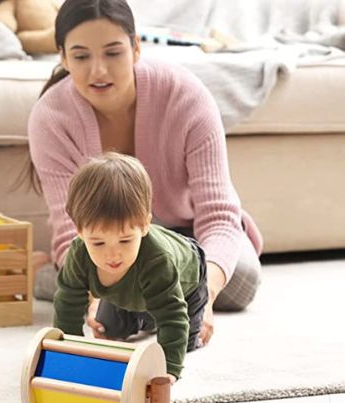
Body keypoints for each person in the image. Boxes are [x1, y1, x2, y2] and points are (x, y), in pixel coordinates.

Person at [28, 0, 263, 347]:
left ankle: (144, 302)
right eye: (81, 57)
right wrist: (95, 297)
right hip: (112, 244)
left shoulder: (186, 95)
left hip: (187, 237)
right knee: (97, 301)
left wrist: (205, 298)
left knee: (240, 280)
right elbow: (72, 234)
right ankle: (144, 299)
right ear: (62, 58)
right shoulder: (50, 118)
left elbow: (218, 215)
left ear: (136, 47)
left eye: (113, 53)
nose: (98, 71)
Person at [55, 153, 208, 383]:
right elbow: (68, 304)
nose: (113, 254)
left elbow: (173, 316)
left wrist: (168, 371)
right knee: (109, 329)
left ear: (145, 225)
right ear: (79, 231)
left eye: (125, 240)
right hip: (135, 290)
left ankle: (155, 318)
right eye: (98, 243)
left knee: (183, 343)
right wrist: (70, 356)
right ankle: (147, 319)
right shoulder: (78, 253)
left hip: (188, 285)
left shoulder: (158, 260)